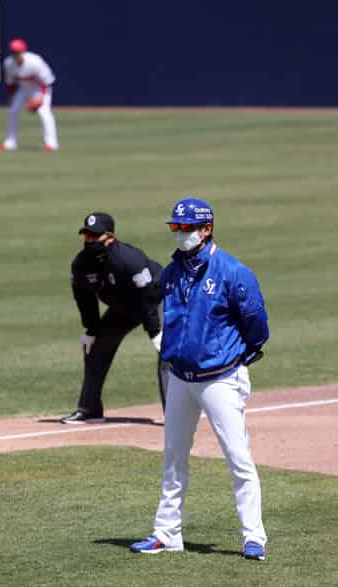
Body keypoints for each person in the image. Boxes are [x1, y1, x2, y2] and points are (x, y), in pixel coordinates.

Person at [130, 197, 269, 561]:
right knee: (173, 457)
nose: (180, 234)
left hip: (219, 378)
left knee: (238, 458)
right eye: (175, 227)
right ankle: (166, 533)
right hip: (180, 377)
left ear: (206, 229)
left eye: (186, 227)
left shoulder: (232, 271)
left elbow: (256, 324)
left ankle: (254, 537)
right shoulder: (173, 271)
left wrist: (239, 361)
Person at [62, 212, 167, 424]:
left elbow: (147, 295)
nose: (90, 240)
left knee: (167, 351)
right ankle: (90, 409)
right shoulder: (81, 264)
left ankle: (175, 414)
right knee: (96, 347)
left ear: (110, 237)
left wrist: (156, 332)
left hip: (158, 300)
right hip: (124, 307)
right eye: (87, 236)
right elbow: (85, 300)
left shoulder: (128, 259)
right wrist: (91, 330)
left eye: (95, 236)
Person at [0, 38, 59, 152]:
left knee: (44, 113)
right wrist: (10, 98)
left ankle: (51, 144)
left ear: (23, 51)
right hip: (23, 89)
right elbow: (10, 84)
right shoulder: (8, 63)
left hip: (40, 89)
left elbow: (47, 82)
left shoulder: (35, 62)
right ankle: (11, 142)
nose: (15, 55)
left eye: (18, 52)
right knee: (13, 111)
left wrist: (41, 97)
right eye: (13, 52)